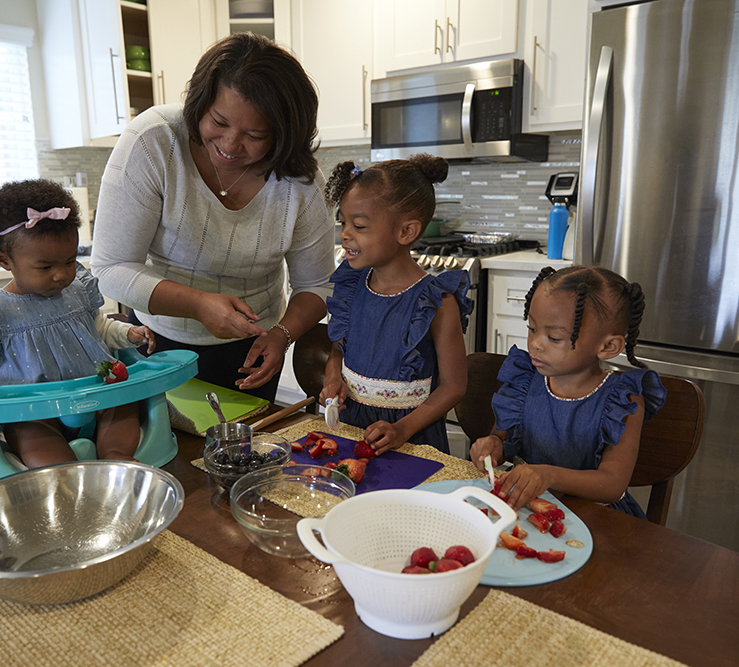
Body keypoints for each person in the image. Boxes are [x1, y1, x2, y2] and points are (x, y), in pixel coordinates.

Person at [90, 33, 334, 402]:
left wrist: (281, 335)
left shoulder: (299, 181)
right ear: (199, 103)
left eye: (254, 134)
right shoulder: (154, 140)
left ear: (283, 136)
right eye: (218, 121)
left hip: (253, 350)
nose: (230, 145)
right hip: (157, 342)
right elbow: (110, 267)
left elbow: (317, 284)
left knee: (242, 453)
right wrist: (199, 304)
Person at [0, 179, 157, 469]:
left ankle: (115, 456)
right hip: (34, 412)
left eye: (70, 261)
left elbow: (98, 330)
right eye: (46, 267)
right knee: (27, 431)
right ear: (3, 259)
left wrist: (128, 333)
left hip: (94, 396)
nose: (61, 275)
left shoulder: (77, 290)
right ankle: (62, 473)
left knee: (124, 402)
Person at [469, 265, 667, 518]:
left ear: (608, 346)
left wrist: (548, 475)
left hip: (595, 518)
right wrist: (491, 445)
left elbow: (612, 484)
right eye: (532, 328)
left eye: (554, 337)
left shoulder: (623, 400)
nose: (536, 344)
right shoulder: (524, 380)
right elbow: (501, 439)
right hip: (526, 509)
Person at [320, 155, 472, 455]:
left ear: (406, 232)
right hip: (352, 428)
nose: (345, 234)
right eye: (344, 222)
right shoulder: (352, 287)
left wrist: (403, 429)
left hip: (412, 439)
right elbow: (339, 351)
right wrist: (333, 376)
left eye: (359, 226)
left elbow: (454, 386)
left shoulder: (436, 303)